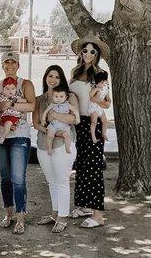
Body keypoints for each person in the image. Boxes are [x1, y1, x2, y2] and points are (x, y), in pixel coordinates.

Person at [0, 51, 36, 235]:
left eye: (13, 63)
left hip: (20, 135)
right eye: (6, 64)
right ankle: (8, 213)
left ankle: (20, 217)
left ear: (18, 65)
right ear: (2, 66)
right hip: (0, 136)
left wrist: (9, 106)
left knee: (18, 179)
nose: (10, 66)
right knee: (5, 177)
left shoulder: (25, 84)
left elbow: (32, 106)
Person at [69, 37, 111, 228]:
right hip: (77, 123)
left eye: (92, 51)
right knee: (82, 165)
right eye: (84, 50)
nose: (87, 54)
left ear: (97, 54)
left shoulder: (101, 74)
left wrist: (96, 101)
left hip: (92, 121)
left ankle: (98, 215)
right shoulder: (76, 72)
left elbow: (107, 103)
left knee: (94, 167)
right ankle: (85, 205)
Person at [33, 65, 79, 233]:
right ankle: (54, 213)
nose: (53, 79)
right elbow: (36, 122)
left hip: (63, 145)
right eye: (50, 76)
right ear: (45, 77)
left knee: (61, 180)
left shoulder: (69, 97)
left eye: (57, 77)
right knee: (51, 181)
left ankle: (63, 217)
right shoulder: (40, 99)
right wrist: (49, 131)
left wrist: (55, 116)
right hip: (44, 143)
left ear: (62, 80)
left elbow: (74, 118)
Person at [41, 84, 79, 155]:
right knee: (49, 135)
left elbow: (75, 111)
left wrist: (77, 118)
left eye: (61, 96)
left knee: (67, 135)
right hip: (53, 125)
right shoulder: (52, 105)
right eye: (56, 96)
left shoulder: (68, 105)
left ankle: (67, 148)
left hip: (64, 125)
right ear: (53, 97)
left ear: (66, 97)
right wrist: (43, 120)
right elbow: (46, 111)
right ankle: (49, 149)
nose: (58, 99)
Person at [0, 77, 27, 144]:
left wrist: (20, 100)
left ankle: (3, 137)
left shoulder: (15, 97)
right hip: (3, 115)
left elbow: (25, 101)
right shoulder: (1, 97)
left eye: (13, 89)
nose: (10, 91)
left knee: (8, 123)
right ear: (3, 90)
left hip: (12, 116)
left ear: (15, 90)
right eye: (7, 89)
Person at [89, 71, 110, 144]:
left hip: (99, 106)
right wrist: (96, 90)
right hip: (93, 106)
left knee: (105, 121)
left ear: (105, 81)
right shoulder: (96, 87)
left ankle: (103, 133)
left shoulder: (106, 88)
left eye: (102, 82)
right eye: (98, 83)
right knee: (94, 121)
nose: (100, 84)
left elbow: (107, 97)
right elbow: (90, 96)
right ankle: (93, 136)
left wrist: (108, 102)